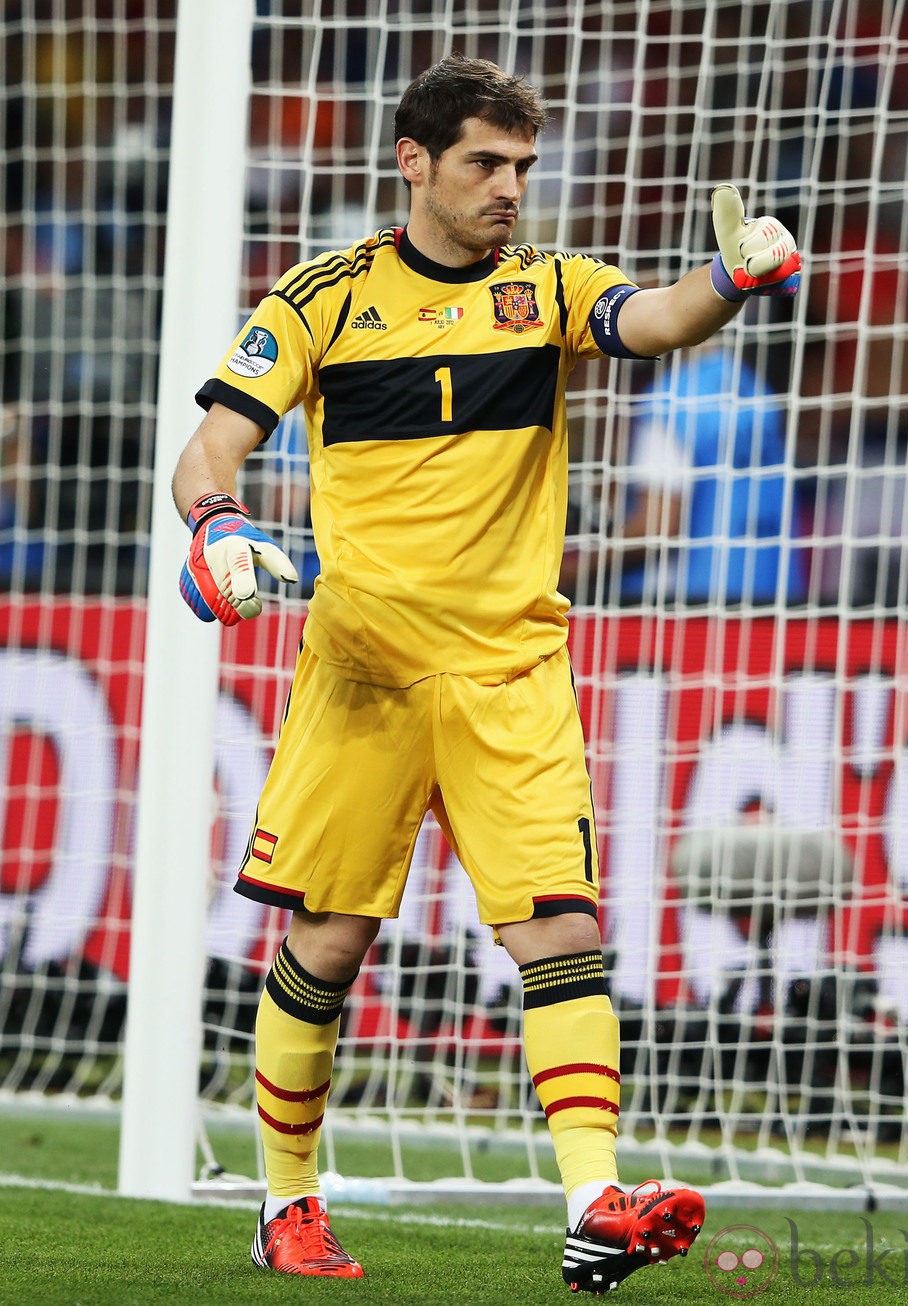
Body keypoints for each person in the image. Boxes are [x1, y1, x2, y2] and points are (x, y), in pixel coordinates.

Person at [171, 55, 800, 1292]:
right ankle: (286, 1204)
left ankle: (593, 1198)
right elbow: (210, 447)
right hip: (364, 673)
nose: (512, 187)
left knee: (559, 929)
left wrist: (732, 277)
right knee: (329, 941)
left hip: (513, 668)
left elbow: (657, 319)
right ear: (415, 163)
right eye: (485, 165)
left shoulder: (548, 289)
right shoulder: (321, 299)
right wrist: (220, 524)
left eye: (522, 165)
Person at [564, 345, 807, 608]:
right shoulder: (756, 392)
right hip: (770, 590)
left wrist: (574, 568)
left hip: (692, 603)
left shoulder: (672, 399)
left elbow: (658, 526)